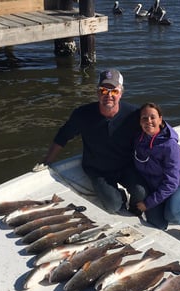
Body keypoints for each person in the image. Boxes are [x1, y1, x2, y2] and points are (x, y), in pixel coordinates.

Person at [35, 69, 147, 215]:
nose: (108, 95)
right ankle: (119, 196)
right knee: (113, 205)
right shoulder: (82, 114)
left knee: (141, 192)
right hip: (98, 169)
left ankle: (133, 208)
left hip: (125, 166)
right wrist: (47, 160)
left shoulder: (134, 114)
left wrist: (175, 148)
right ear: (97, 92)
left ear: (121, 93)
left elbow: (157, 128)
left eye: (114, 91)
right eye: (103, 90)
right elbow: (63, 136)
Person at [134, 102, 180, 243]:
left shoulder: (170, 145)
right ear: (139, 122)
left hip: (177, 186)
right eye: (144, 118)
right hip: (154, 188)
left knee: (173, 215)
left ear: (160, 119)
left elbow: (171, 183)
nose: (149, 121)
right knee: (158, 226)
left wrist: (147, 203)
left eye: (153, 117)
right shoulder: (138, 140)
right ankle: (163, 207)